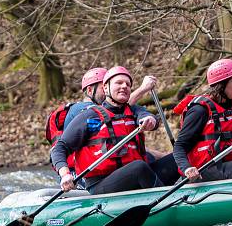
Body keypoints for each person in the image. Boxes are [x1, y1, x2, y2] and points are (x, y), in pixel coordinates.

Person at [51, 66, 177, 194]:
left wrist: (151, 121)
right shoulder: (88, 116)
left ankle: (189, 191)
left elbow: (148, 117)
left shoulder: (134, 110)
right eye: (119, 83)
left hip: (136, 176)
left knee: (179, 155)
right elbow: (59, 148)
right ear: (106, 88)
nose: (124, 86)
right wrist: (65, 174)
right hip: (101, 183)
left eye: (128, 84)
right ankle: (168, 199)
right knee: (139, 167)